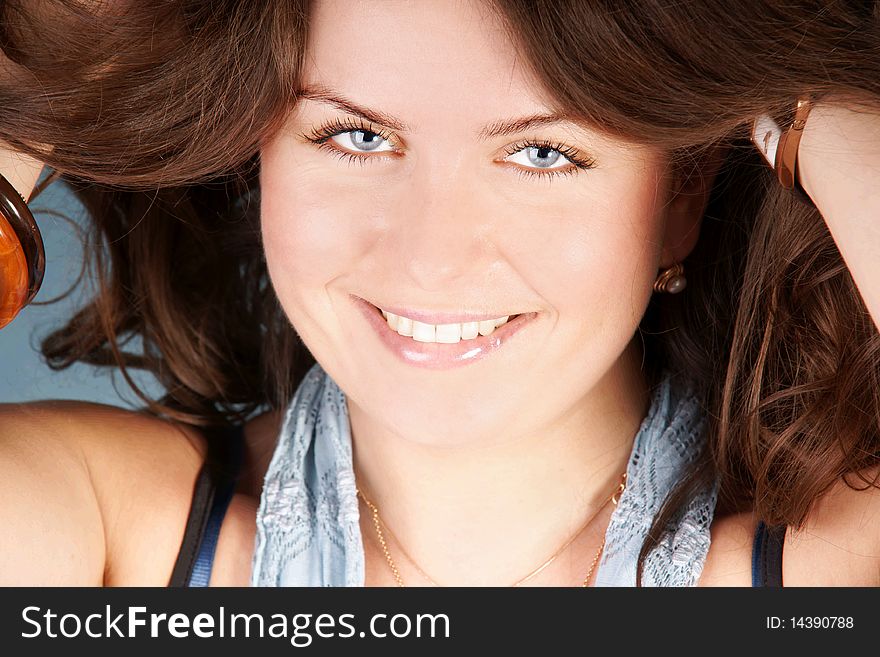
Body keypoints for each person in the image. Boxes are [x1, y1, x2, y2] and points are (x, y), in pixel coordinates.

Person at [1, 0, 879, 587]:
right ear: (253, 153)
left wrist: (789, 68)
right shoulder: (112, 540)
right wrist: (79, 61)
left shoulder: (822, 574)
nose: (431, 259)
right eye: (355, 135)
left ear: (682, 195)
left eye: (543, 153)